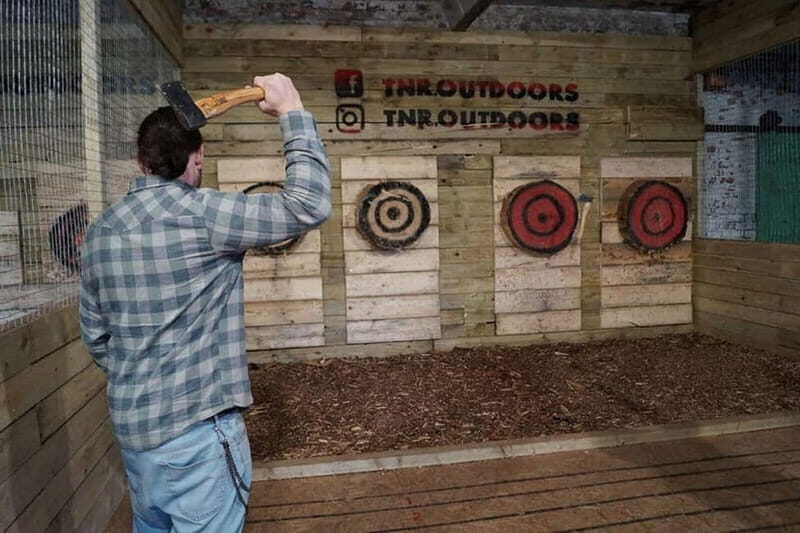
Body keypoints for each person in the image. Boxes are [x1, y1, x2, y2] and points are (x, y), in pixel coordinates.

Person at [79, 73, 331, 532]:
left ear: (141, 162)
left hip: (136, 438)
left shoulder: (100, 232)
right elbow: (308, 204)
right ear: (198, 158)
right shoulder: (204, 215)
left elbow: (97, 339)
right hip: (197, 437)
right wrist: (292, 108)